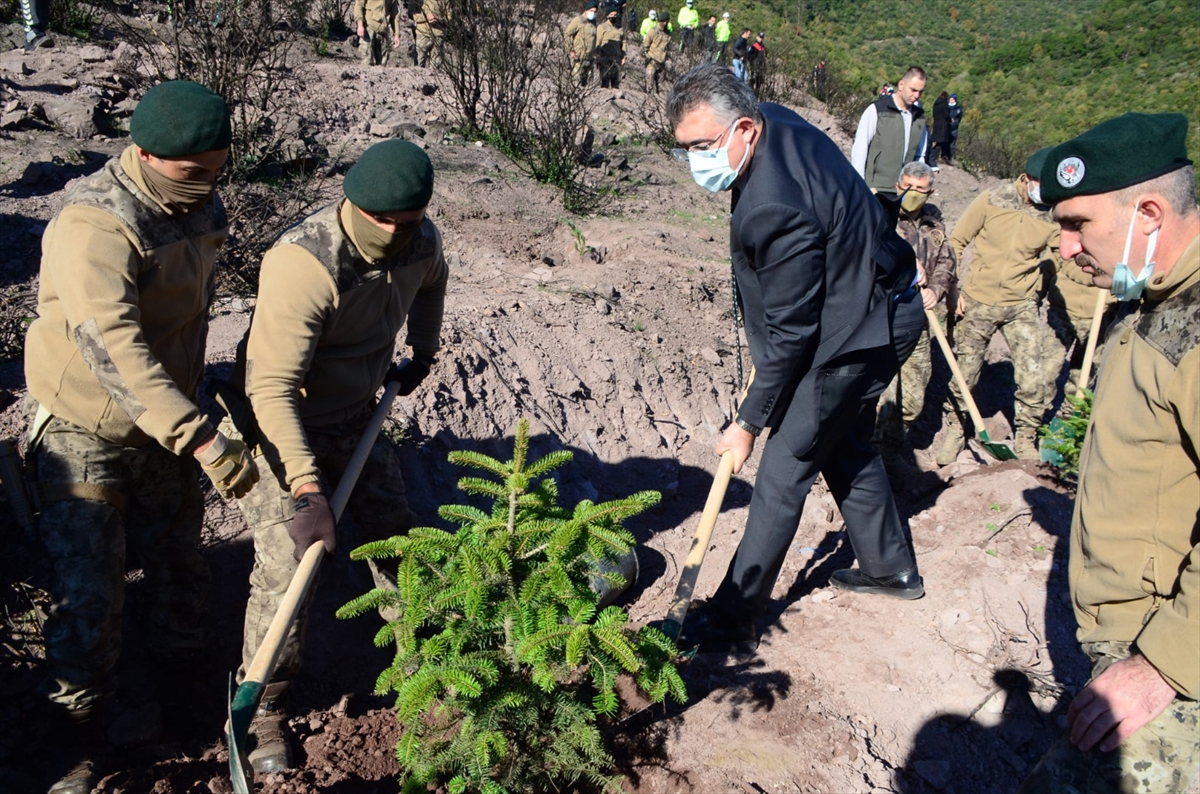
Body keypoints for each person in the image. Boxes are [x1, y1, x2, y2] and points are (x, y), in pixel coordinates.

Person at [24, 81, 255, 794]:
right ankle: (75, 734)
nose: (208, 185)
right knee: (91, 587)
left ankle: (183, 700)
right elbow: (115, 351)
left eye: (219, 169)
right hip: (87, 426)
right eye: (193, 172)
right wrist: (202, 438)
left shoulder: (200, 201)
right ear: (145, 154)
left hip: (170, 421)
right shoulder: (95, 226)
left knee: (181, 565)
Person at [665, 64, 924, 654]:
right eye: (686, 149)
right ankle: (890, 570)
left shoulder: (772, 206)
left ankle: (729, 621)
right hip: (873, 298)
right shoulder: (773, 123)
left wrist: (749, 422)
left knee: (784, 466)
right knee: (845, 440)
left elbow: (791, 333)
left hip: (862, 326)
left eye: (704, 146)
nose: (695, 162)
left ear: (746, 128)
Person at [229, 139, 446, 772]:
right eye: (381, 220)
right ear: (352, 204)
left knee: (393, 534)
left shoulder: (422, 242)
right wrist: (305, 488)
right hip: (280, 424)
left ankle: (423, 652)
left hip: (355, 416)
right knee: (291, 563)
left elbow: (432, 283)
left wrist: (424, 352)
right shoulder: (305, 264)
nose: (394, 233)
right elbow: (269, 388)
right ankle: (263, 703)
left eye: (406, 221)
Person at [1018, 112, 1200, 794]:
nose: (1065, 248)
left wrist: (1162, 667)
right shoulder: (1154, 296)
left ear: (1148, 213)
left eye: (1077, 225)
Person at [934, 148, 1060, 464]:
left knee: (1034, 376)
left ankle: (1027, 438)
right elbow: (958, 242)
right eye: (1042, 185)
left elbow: (1061, 257)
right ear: (1028, 179)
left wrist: (1038, 289)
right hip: (977, 301)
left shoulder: (1052, 214)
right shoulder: (993, 199)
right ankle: (955, 430)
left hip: (1020, 305)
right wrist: (954, 289)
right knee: (966, 373)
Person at [874, 161, 956, 479]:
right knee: (882, 393)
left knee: (912, 395)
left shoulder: (933, 222)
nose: (912, 194)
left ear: (930, 191)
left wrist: (936, 289)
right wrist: (904, 270)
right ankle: (869, 460)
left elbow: (946, 261)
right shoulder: (881, 215)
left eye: (920, 190)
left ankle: (890, 451)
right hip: (883, 316)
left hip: (919, 321)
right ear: (898, 185)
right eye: (907, 187)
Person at [1041, 251, 1115, 404]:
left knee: (1084, 376)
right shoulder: (1072, 237)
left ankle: (1070, 419)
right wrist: (1037, 296)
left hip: (1100, 317)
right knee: (1046, 371)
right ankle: (1034, 419)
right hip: (1062, 313)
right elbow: (1049, 265)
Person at [851, 67, 927, 195]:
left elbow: (920, 156)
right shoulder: (877, 110)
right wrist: (859, 186)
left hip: (903, 192)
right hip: (874, 190)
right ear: (901, 85)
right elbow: (860, 149)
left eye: (921, 92)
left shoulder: (920, 118)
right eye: (913, 90)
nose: (917, 96)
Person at [355, 0, 402, 66]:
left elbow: (394, 15)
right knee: (367, 62)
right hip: (369, 29)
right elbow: (359, 6)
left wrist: (397, 34)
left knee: (382, 64)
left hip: (383, 31)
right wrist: (360, 25)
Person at [564, 0, 599, 87]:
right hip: (578, 57)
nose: (593, 13)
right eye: (591, 11)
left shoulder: (593, 22)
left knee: (588, 86)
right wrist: (571, 51)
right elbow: (567, 34)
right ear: (586, 10)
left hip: (589, 58)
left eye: (595, 11)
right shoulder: (578, 20)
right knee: (576, 84)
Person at [595, 7, 625, 89]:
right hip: (605, 57)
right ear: (607, 16)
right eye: (611, 15)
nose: (613, 16)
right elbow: (598, 41)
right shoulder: (602, 27)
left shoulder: (620, 28)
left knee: (615, 82)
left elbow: (623, 42)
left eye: (615, 15)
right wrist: (598, 55)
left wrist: (623, 56)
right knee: (605, 80)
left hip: (616, 57)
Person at [643, 12, 671, 94]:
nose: (665, 23)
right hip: (652, 61)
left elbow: (668, 48)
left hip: (662, 62)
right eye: (663, 21)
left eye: (666, 21)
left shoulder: (668, 34)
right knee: (649, 86)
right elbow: (645, 45)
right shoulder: (652, 31)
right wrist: (648, 56)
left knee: (662, 89)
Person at [413, 0, 447, 68]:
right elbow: (411, 13)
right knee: (419, 64)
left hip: (438, 34)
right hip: (423, 34)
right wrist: (426, 17)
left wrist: (438, 19)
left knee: (436, 67)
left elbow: (449, 17)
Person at [928, 90, 951, 170]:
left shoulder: (935, 104)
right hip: (943, 125)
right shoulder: (944, 104)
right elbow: (946, 114)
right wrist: (950, 120)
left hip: (936, 123)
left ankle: (934, 156)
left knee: (938, 141)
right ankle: (934, 157)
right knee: (941, 142)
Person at [947, 93, 963, 161]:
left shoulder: (958, 109)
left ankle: (950, 157)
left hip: (954, 129)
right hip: (946, 128)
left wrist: (954, 121)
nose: (951, 100)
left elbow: (958, 118)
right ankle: (943, 156)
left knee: (952, 144)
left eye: (952, 99)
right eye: (950, 99)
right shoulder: (946, 107)